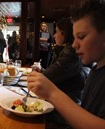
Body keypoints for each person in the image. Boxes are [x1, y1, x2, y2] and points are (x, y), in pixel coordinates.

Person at [27, 0, 105, 128]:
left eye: (81, 36)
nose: (74, 44)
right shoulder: (96, 70)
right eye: (74, 38)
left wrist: (52, 93)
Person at [36, 18, 90, 127]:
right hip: (63, 109)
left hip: (62, 116)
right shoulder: (64, 51)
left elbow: (46, 78)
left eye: (81, 37)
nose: (54, 35)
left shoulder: (71, 54)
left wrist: (43, 78)